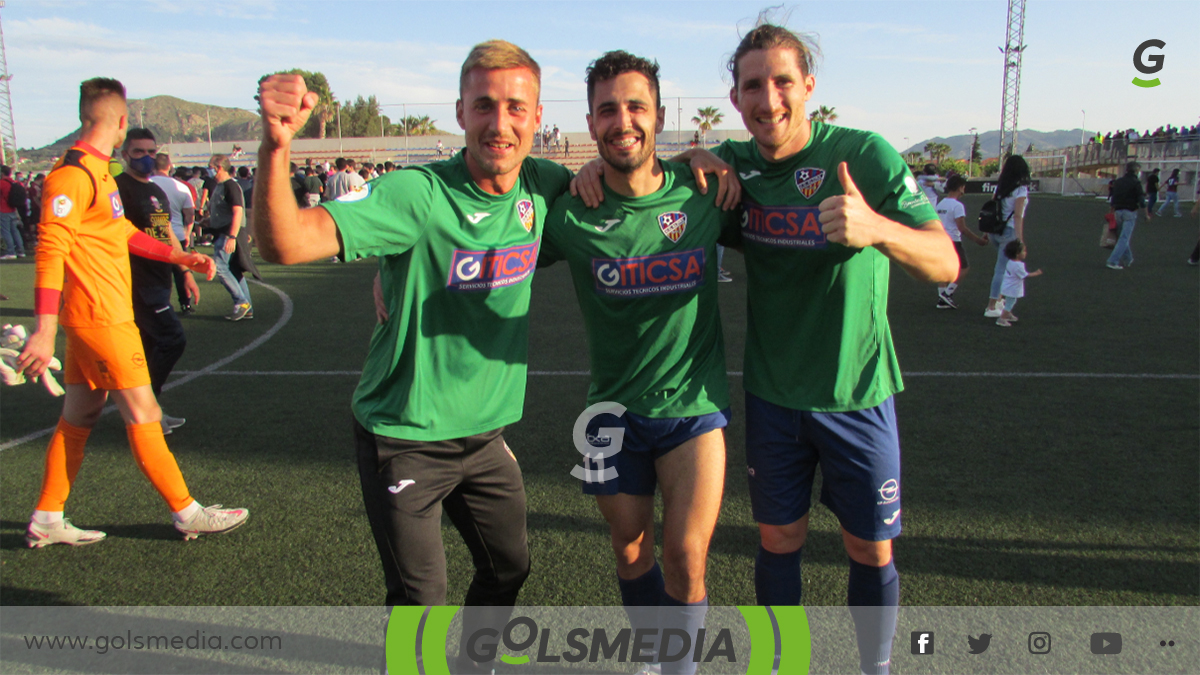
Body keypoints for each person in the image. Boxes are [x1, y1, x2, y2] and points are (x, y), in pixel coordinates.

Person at [255, 40, 573, 674]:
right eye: (484, 105)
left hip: (485, 438)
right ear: (460, 112)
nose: (500, 123)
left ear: (538, 117)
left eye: (516, 107)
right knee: (419, 604)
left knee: (509, 569)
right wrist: (276, 145)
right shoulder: (418, 195)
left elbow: (634, 191)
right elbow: (284, 244)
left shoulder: (548, 186)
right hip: (404, 439)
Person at [692, 19, 955, 675]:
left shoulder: (864, 154)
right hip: (775, 394)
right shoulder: (738, 166)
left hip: (857, 394)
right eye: (753, 86)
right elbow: (660, 182)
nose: (769, 98)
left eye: (783, 81)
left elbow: (946, 263)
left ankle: (876, 666)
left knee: (870, 549)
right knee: (779, 539)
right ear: (736, 99)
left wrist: (876, 228)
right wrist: (691, 157)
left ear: (808, 85)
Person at [542, 51, 737, 675]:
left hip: (692, 409)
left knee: (685, 553)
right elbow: (482, 225)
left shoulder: (705, 193)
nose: (621, 120)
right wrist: (395, 267)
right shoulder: (570, 210)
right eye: (607, 109)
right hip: (609, 412)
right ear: (591, 123)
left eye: (635, 107)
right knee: (630, 551)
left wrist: (700, 156)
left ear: (657, 115)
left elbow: (783, 179)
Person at [16, 77, 248, 547]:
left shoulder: (98, 172)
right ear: (121, 123)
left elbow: (119, 231)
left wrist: (178, 257)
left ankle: (47, 516)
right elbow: (50, 252)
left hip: (99, 316)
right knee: (144, 411)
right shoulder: (72, 176)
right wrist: (43, 332)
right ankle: (187, 512)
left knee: (80, 415)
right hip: (102, 319)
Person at [117, 130, 198, 435]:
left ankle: (147, 413)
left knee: (149, 348)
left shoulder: (157, 191)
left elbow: (167, 237)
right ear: (124, 154)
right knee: (172, 339)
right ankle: (145, 409)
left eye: (151, 150)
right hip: (136, 283)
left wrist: (185, 273)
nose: (146, 157)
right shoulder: (117, 190)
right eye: (138, 152)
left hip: (160, 279)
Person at [149, 153, 200, 315]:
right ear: (169, 166)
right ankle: (185, 304)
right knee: (181, 272)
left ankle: (157, 305)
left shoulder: (147, 184)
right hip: (177, 234)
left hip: (152, 235)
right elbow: (190, 216)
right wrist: (187, 233)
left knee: (156, 274)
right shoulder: (181, 187)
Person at [207, 155, 255, 321]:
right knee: (234, 270)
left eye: (211, 167)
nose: (209, 170)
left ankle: (241, 302)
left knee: (220, 266)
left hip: (229, 233)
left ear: (219, 167)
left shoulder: (230, 186)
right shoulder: (221, 186)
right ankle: (246, 306)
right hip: (225, 232)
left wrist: (232, 236)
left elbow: (237, 211)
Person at [984, 155, 1030, 318]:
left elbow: (991, 208)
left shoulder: (1000, 188)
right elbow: (1018, 215)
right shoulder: (1020, 190)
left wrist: (986, 231)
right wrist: (1020, 240)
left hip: (995, 231)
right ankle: (991, 305)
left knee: (1004, 268)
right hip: (1008, 232)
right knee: (1002, 269)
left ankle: (998, 300)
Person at [934, 174, 988, 308]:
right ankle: (948, 293)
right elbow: (962, 228)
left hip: (941, 238)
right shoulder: (957, 206)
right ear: (959, 188)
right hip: (953, 240)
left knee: (943, 269)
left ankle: (941, 298)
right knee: (964, 267)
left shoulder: (941, 203)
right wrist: (978, 240)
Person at [1106, 161, 1146, 270]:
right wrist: (1147, 213)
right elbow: (1141, 199)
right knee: (1124, 237)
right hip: (1130, 211)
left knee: (1122, 237)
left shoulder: (1118, 182)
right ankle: (1113, 261)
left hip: (1118, 211)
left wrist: (1112, 210)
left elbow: (1114, 197)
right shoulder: (1136, 183)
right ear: (1136, 170)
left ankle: (1128, 258)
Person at [996, 239, 1042, 327]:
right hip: (1012, 289)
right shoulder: (1019, 265)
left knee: (1010, 301)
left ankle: (1007, 314)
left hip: (1007, 287)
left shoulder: (1010, 262)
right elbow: (1024, 275)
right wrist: (1036, 273)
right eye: (1023, 251)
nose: (1025, 253)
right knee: (1010, 303)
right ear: (1017, 254)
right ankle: (1002, 318)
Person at [1, 165, 27, 259]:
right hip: (13, 209)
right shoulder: (14, 183)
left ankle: (10, 252)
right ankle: (20, 250)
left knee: (6, 231)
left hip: (3, 210)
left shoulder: (2, 183)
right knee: (15, 231)